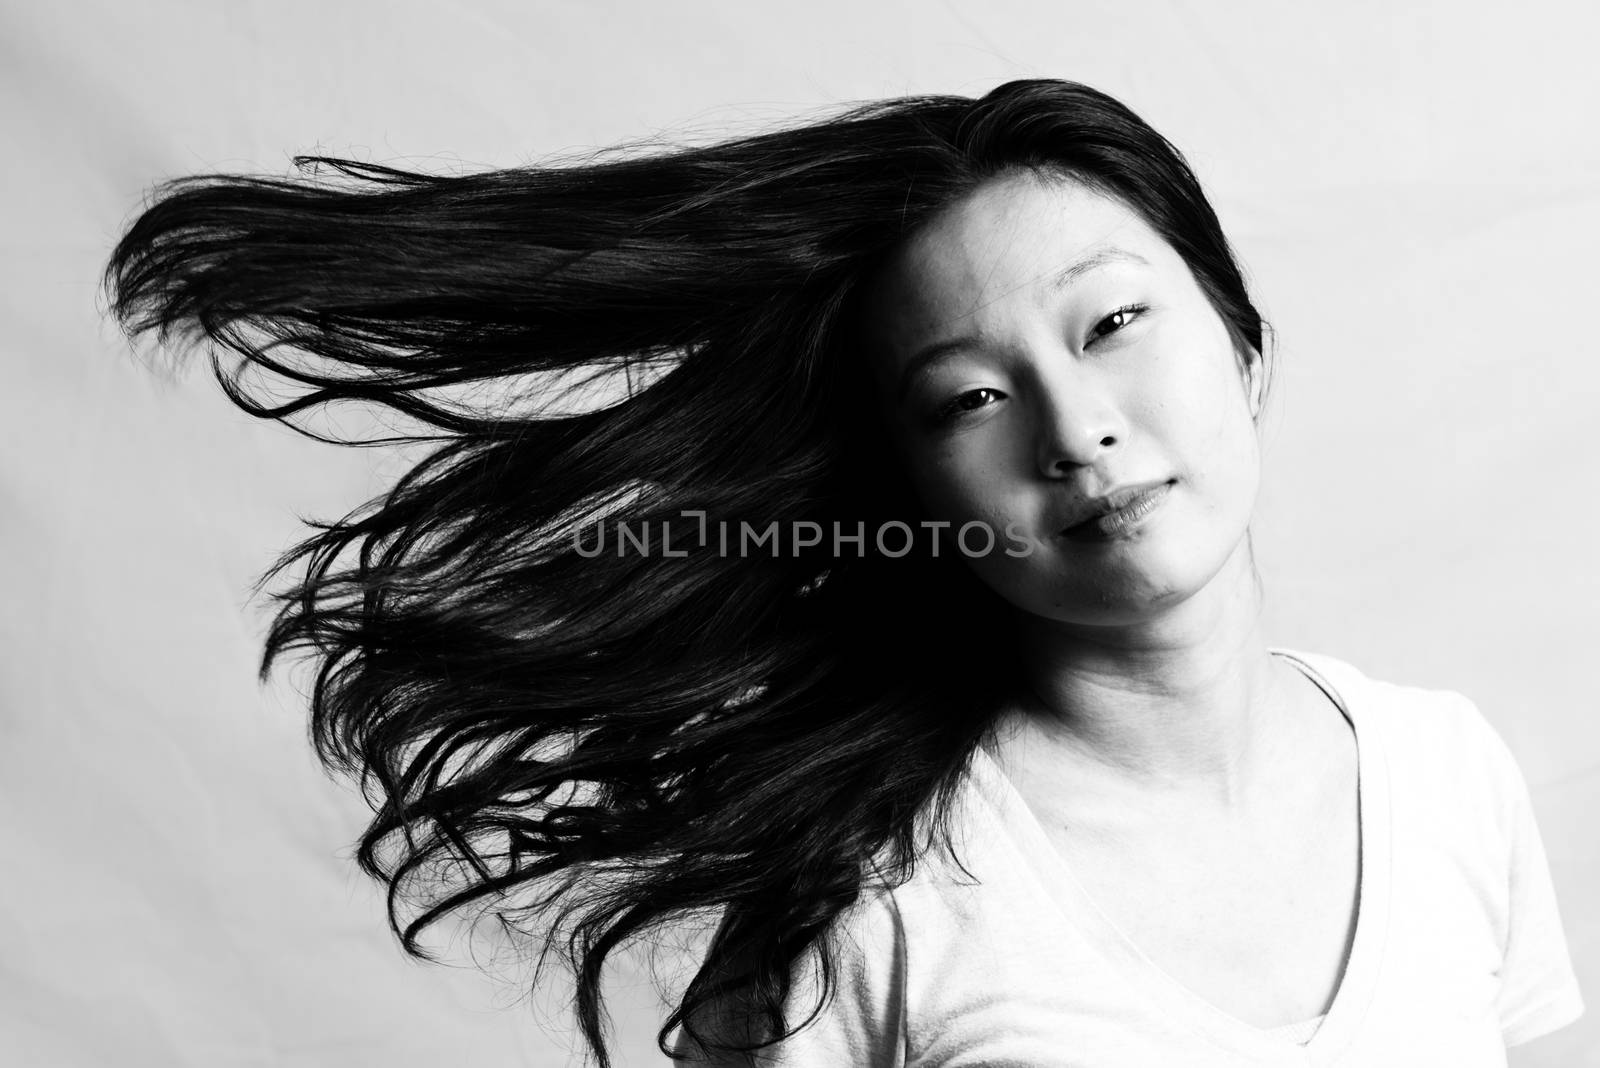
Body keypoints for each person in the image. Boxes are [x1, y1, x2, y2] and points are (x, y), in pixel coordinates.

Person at [101, 79, 1583, 1067]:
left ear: (1243, 348)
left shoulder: (1444, 771)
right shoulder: (868, 901)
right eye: (969, 400)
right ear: (916, 487)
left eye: (1114, 323)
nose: (1078, 429)